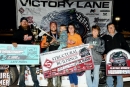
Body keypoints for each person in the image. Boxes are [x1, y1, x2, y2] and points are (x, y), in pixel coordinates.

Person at [12, 17, 39, 87]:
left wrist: (35, 42)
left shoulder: (31, 31)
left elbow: (34, 40)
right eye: (23, 21)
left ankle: (36, 84)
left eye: (26, 21)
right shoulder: (17, 31)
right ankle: (21, 85)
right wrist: (14, 42)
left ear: (27, 23)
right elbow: (14, 39)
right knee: (22, 72)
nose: (24, 22)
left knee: (33, 71)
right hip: (22, 54)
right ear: (20, 23)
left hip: (30, 53)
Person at [102, 23, 130, 87]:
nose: (111, 28)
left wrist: (128, 54)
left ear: (114, 28)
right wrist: (104, 54)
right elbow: (102, 47)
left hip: (120, 58)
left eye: (112, 27)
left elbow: (125, 45)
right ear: (107, 29)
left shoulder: (119, 35)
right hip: (109, 58)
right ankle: (110, 85)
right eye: (109, 27)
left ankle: (119, 86)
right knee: (109, 74)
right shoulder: (104, 37)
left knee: (119, 73)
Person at [40, 21, 62, 87]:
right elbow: (42, 45)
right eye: (52, 25)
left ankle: (58, 85)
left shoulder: (60, 35)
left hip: (58, 57)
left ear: (56, 26)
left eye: (54, 25)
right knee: (49, 74)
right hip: (49, 57)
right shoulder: (46, 35)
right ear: (50, 26)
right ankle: (50, 85)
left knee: (59, 73)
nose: (53, 26)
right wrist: (50, 42)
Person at [67, 23, 83, 87]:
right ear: (68, 29)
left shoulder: (78, 36)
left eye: (72, 27)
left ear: (74, 29)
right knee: (69, 71)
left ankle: (75, 84)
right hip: (66, 56)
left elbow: (81, 45)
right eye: (69, 27)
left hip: (75, 56)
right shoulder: (65, 35)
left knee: (73, 70)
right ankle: (72, 84)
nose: (70, 29)